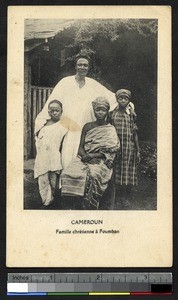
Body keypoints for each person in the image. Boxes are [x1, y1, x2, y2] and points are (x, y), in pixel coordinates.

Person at [35, 51, 119, 169]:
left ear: (88, 67)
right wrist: (43, 120)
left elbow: (110, 96)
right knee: (68, 153)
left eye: (85, 65)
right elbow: (53, 102)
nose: (82, 67)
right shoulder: (65, 82)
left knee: (85, 156)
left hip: (87, 126)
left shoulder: (92, 84)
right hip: (70, 125)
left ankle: (83, 185)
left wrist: (127, 104)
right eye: (80, 64)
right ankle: (66, 183)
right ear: (75, 66)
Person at [61, 97, 120, 209]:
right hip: (84, 157)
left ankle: (90, 203)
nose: (100, 112)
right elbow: (80, 147)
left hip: (101, 158)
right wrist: (86, 157)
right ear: (94, 111)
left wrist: (93, 156)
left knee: (93, 175)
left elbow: (112, 149)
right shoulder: (87, 126)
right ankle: (71, 203)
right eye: (98, 110)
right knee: (67, 173)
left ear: (107, 111)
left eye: (103, 110)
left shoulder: (110, 128)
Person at [109, 89, 140, 208]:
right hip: (117, 147)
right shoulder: (112, 114)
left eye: (125, 99)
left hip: (129, 148)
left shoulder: (131, 115)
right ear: (117, 100)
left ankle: (126, 198)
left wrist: (138, 150)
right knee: (117, 171)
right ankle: (117, 198)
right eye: (121, 98)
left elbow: (135, 132)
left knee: (128, 171)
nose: (123, 100)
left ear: (129, 101)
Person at [34, 100, 67, 207]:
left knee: (53, 178)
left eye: (57, 110)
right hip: (42, 156)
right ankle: (46, 200)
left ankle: (53, 198)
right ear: (48, 112)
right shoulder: (43, 124)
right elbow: (38, 139)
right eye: (52, 111)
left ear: (61, 111)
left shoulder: (63, 125)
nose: (54, 113)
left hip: (54, 156)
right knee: (43, 178)